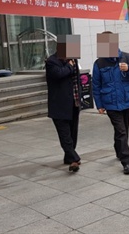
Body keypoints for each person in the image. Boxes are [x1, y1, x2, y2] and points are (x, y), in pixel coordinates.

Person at [92, 34, 129, 175]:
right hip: (111, 104)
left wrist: (128, 69)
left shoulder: (127, 57)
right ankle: (127, 162)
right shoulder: (99, 63)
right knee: (121, 131)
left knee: (123, 130)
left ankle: (119, 150)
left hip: (126, 101)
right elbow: (96, 85)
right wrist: (100, 105)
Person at [46, 38, 82, 172]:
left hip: (74, 102)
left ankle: (69, 156)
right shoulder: (51, 62)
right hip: (59, 105)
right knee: (64, 134)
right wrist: (69, 66)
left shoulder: (73, 60)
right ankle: (73, 159)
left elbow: (76, 79)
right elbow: (59, 74)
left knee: (73, 133)